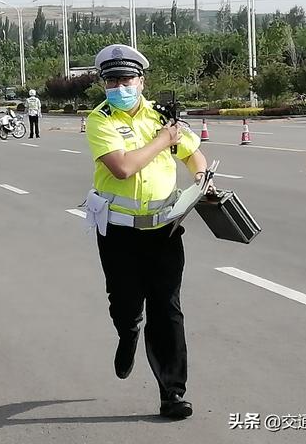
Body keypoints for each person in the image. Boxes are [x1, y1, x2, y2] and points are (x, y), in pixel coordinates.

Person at [84, 44, 211, 419]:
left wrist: (202, 177)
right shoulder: (101, 119)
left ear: (142, 80)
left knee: (167, 308)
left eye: (126, 79)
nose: (119, 86)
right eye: (112, 80)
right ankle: (127, 333)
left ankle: (172, 393)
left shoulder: (162, 116)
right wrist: (162, 142)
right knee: (124, 303)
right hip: (119, 231)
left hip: (165, 229)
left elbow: (192, 153)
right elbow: (122, 168)